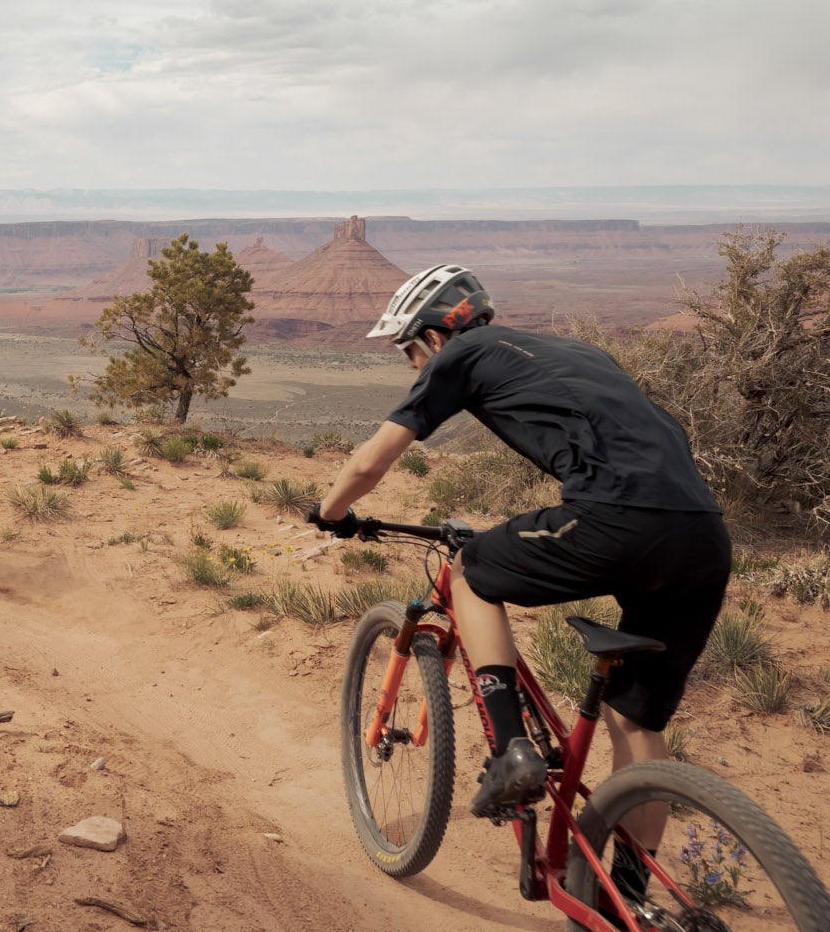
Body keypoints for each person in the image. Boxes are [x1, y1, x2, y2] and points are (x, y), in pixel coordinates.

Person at [309, 264, 729, 895]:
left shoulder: (463, 354)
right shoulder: (579, 350)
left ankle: (512, 750)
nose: (411, 364)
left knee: (473, 572)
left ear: (432, 335)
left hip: (613, 517)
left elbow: (373, 459)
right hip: (702, 535)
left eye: (408, 350)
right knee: (636, 722)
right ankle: (634, 904)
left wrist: (331, 514)